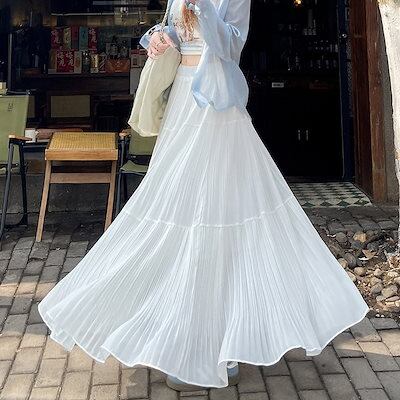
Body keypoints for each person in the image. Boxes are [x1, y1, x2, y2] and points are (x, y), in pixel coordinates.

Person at [38, 0, 370, 392]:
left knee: (217, 212)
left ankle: (218, 343)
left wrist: (205, 10)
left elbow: (231, 46)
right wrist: (157, 38)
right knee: (173, 204)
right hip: (183, 102)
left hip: (217, 110)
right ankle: (181, 330)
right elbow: (175, 34)